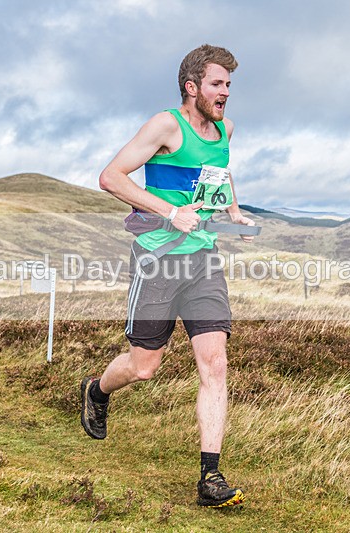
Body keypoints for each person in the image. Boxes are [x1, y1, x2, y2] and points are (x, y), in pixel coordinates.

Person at [80, 44, 255, 508]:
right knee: (144, 366)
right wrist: (170, 211)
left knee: (214, 364)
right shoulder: (165, 126)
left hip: (202, 262)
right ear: (191, 87)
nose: (226, 93)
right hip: (157, 259)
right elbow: (111, 177)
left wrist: (233, 211)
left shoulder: (224, 129)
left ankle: (210, 478)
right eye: (218, 84)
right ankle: (97, 390)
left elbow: (219, 170)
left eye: (229, 86)